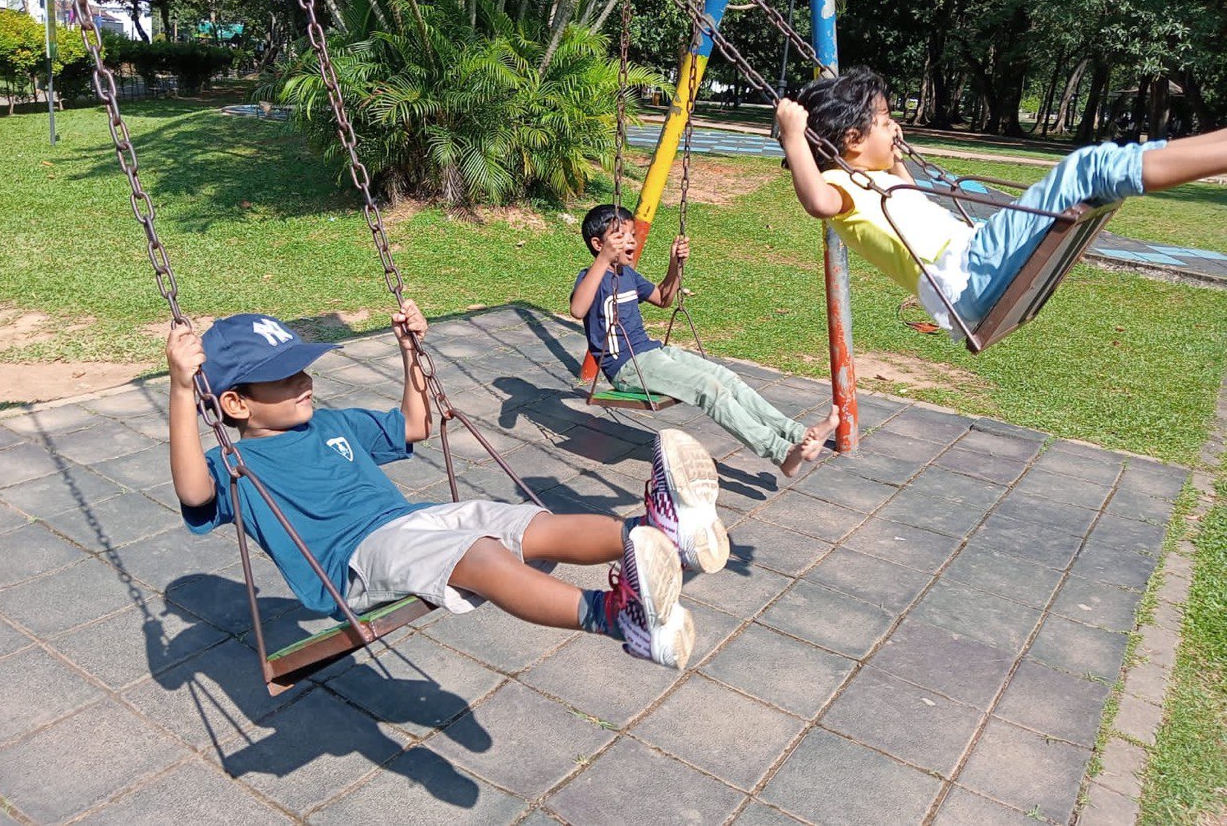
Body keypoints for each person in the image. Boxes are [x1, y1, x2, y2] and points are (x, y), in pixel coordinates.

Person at [165, 306, 731, 671]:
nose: (305, 381)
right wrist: (179, 390)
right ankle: (617, 617)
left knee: (518, 522)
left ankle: (659, 531)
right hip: (354, 563)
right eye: (286, 379)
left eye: (303, 368)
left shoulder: (330, 423)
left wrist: (410, 353)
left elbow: (414, 425)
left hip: (412, 522)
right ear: (236, 404)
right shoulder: (234, 463)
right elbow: (193, 493)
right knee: (477, 553)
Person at [777, 67, 1227, 337]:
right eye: (885, 119)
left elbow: (906, 197)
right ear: (852, 139)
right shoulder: (837, 182)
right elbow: (817, 201)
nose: (895, 126)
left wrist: (896, 159)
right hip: (969, 274)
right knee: (1089, 168)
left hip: (975, 268)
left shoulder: (869, 178)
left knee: (1099, 168)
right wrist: (795, 137)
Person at [570, 204, 841, 482]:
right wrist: (602, 260)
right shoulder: (591, 277)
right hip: (628, 367)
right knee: (707, 388)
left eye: (631, 235)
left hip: (653, 353)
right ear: (598, 243)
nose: (630, 241)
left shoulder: (629, 276)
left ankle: (799, 434)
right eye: (620, 236)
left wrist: (674, 264)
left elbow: (664, 299)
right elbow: (578, 310)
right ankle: (781, 453)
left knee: (728, 378)